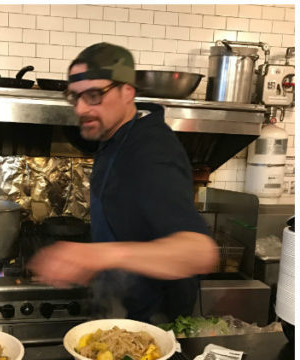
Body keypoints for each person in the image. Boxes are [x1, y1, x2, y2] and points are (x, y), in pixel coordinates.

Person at [27, 43, 217, 323]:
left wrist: (98, 256)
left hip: (155, 323)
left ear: (127, 92)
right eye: (74, 96)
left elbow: (200, 252)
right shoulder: (116, 134)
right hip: (124, 307)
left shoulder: (151, 152)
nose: (80, 108)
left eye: (93, 95)